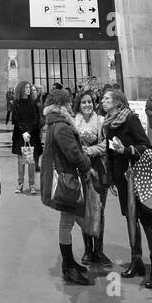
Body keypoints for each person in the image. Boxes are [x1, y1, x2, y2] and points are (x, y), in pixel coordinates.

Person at [101, 88, 152, 288]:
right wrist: (111, 178)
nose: (103, 101)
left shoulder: (130, 119)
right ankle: (136, 260)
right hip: (123, 179)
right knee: (130, 218)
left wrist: (127, 150)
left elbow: (145, 145)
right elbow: (110, 152)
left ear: (118, 102)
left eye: (106, 98)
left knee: (146, 219)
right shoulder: (109, 123)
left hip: (139, 177)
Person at [41, 91, 94, 285]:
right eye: (69, 104)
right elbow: (73, 154)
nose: (72, 106)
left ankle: (69, 262)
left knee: (68, 220)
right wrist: (87, 164)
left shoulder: (53, 123)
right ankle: (68, 266)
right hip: (67, 180)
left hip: (64, 177)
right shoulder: (62, 127)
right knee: (67, 222)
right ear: (61, 105)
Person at [72, 90, 112, 267]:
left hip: (98, 169)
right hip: (81, 171)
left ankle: (99, 250)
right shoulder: (74, 123)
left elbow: (106, 144)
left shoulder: (101, 121)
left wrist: (90, 150)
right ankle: (88, 249)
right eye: (83, 102)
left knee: (99, 210)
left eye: (89, 102)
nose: (87, 105)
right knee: (85, 210)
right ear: (78, 105)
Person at [10, 80, 42, 194]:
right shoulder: (16, 103)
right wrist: (24, 132)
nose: (29, 89)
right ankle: (20, 183)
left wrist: (28, 132)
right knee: (21, 161)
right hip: (20, 135)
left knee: (31, 160)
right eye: (27, 87)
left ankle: (32, 184)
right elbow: (16, 119)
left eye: (30, 87)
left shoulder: (33, 103)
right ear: (21, 89)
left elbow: (35, 119)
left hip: (31, 135)